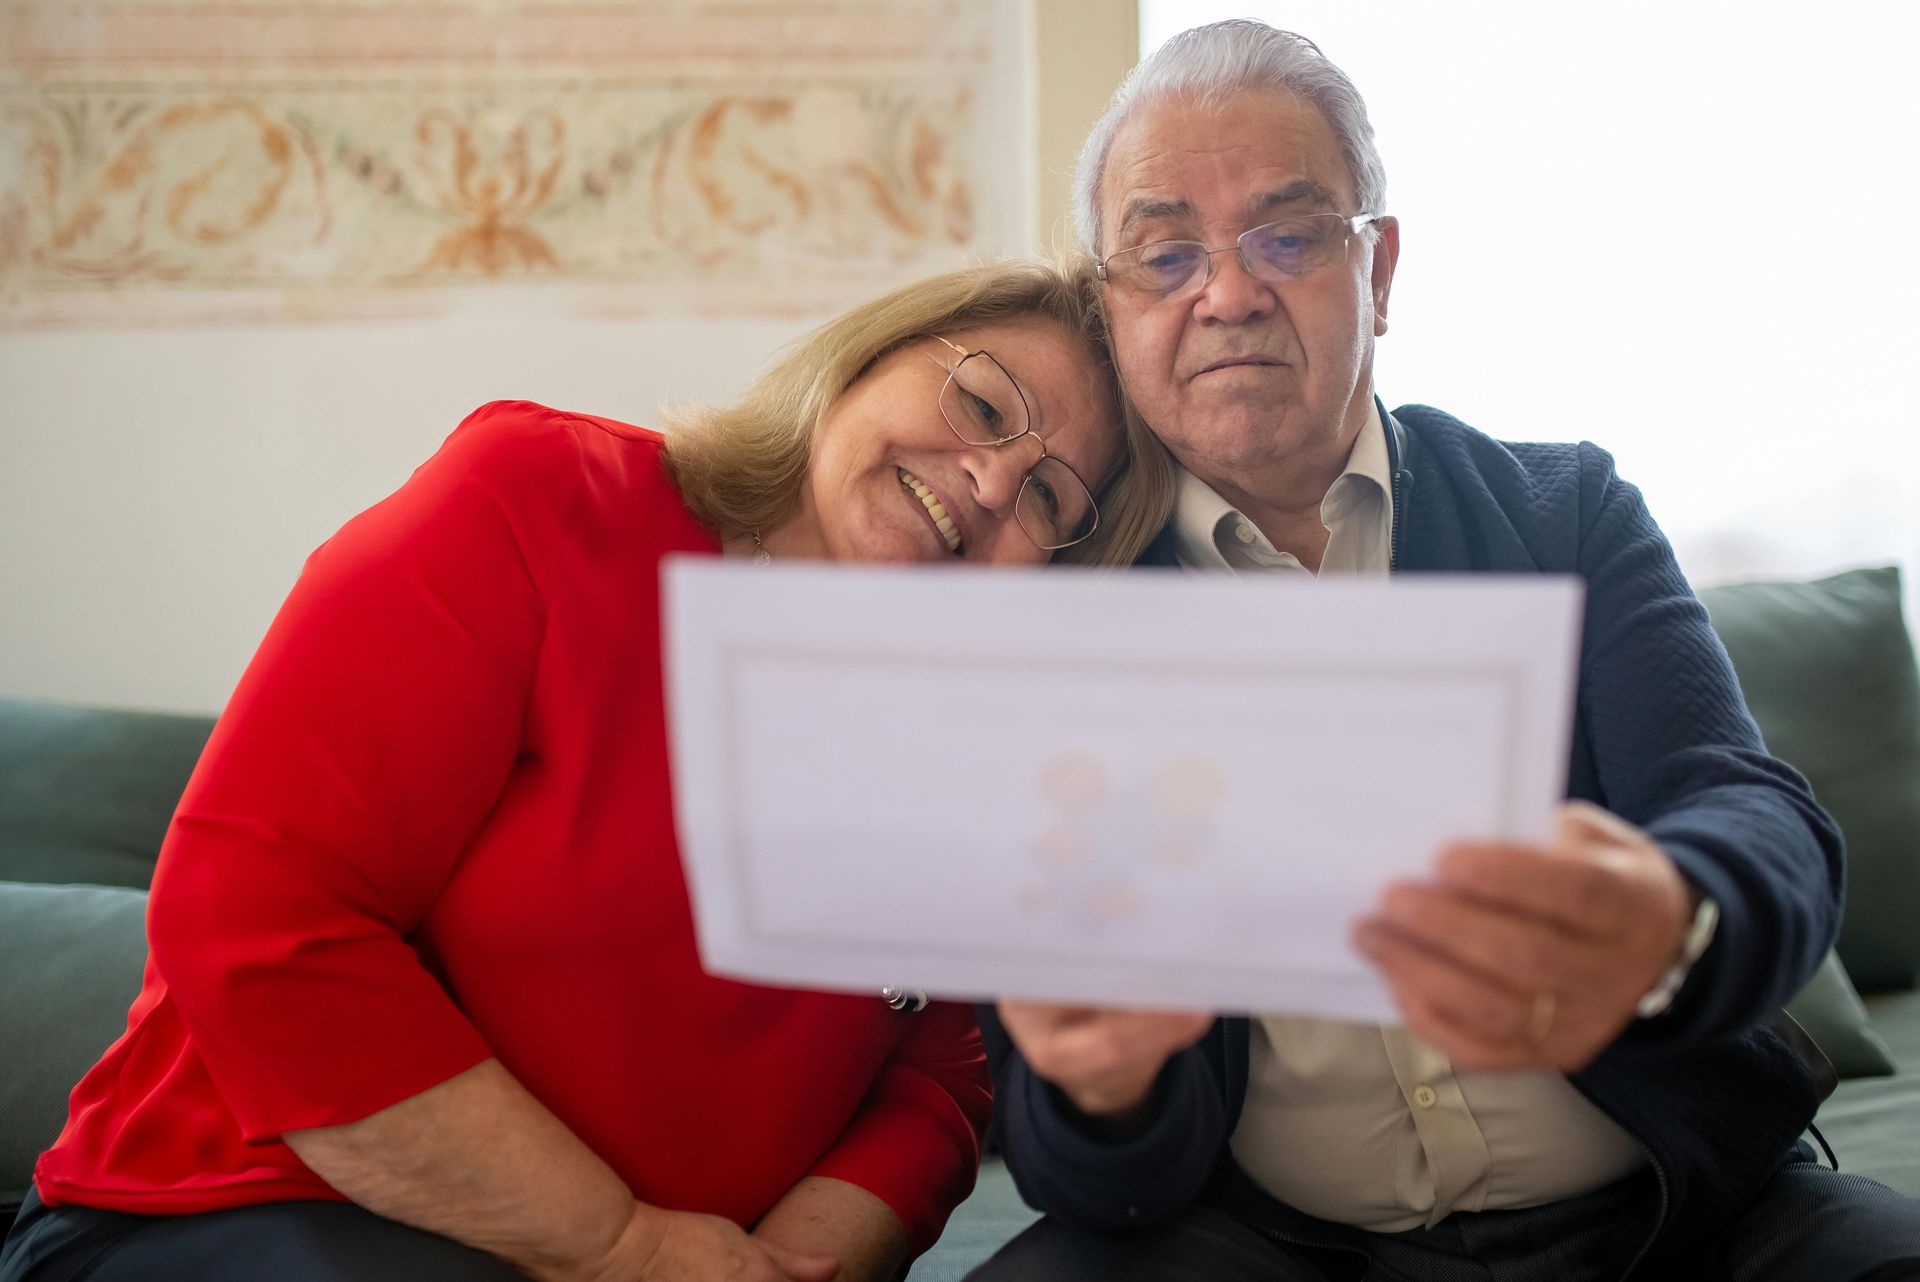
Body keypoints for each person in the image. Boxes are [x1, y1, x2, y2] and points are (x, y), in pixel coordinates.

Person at [0, 258, 1175, 1282]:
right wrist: (619, 1248)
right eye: (981, 403)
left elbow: (934, 1076)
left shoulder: (958, 752)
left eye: (1050, 500)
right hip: (243, 1207)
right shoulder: (543, 500)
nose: (988, 480)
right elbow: (254, 914)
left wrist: (794, 1263)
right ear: (867, 359)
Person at [974, 21, 1920, 1282]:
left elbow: (1745, 808)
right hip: (1277, 1250)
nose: (1231, 291)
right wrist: (1104, 1092)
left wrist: (1668, 910)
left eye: (1290, 236)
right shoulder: (1061, 618)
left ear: (1380, 271)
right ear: (1113, 306)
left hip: (1687, 1217)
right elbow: (1074, 1157)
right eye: (1166, 253)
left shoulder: (1562, 510)